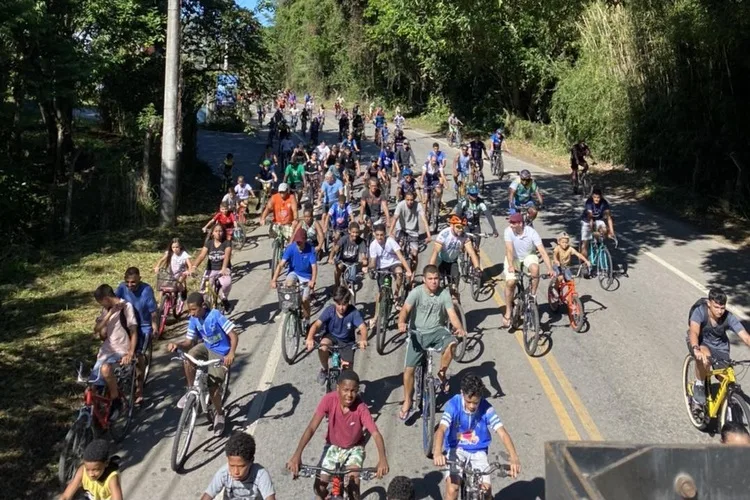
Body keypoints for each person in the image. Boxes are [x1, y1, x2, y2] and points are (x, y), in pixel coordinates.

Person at [286, 370, 389, 500]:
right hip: (333, 446)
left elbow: (376, 434)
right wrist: (297, 455)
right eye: (346, 390)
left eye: (353, 391)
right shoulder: (328, 400)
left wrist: (382, 459)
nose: (349, 395)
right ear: (338, 388)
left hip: (354, 448)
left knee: (353, 486)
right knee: (320, 487)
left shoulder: (361, 408)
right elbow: (311, 428)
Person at [433, 374, 521, 500]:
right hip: (456, 449)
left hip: (478, 451)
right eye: (469, 401)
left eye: (476, 402)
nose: (472, 406)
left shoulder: (487, 408)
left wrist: (514, 457)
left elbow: (502, 432)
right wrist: (437, 453)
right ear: (462, 393)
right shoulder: (454, 404)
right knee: (453, 489)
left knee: (486, 492)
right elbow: (441, 429)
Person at [397, 265, 466, 420]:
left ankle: (441, 374)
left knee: (452, 343)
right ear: (424, 279)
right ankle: (408, 400)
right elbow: (405, 310)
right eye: (431, 279)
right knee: (408, 370)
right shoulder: (416, 292)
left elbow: (451, 314)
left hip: (437, 331)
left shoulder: (444, 294)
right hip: (418, 333)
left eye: (436, 279)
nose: (434, 282)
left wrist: (459, 327)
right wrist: (401, 322)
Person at [167, 292, 238, 435]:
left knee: (213, 388)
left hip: (221, 352)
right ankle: (190, 389)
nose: (192, 313)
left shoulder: (215, 315)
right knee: (189, 357)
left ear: (203, 306)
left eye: (194, 309)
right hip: (206, 347)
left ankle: (219, 414)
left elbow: (234, 335)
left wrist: (231, 353)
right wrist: (177, 345)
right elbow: (189, 342)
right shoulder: (193, 320)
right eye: (189, 310)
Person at [687, 288, 750, 406]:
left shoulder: (728, 317)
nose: (720, 311)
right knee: (705, 358)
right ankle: (699, 385)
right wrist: (696, 349)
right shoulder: (700, 312)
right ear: (709, 303)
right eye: (716, 307)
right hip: (700, 342)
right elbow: (694, 331)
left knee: (728, 381)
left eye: (722, 308)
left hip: (720, 347)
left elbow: (746, 337)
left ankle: (727, 411)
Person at [92, 284, 138, 419]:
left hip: (121, 350)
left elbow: (133, 331)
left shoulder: (126, 307)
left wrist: (130, 352)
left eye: (100, 301)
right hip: (105, 351)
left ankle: (116, 401)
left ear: (106, 298)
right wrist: (109, 314)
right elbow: (96, 329)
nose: (100, 304)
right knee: (92, 386)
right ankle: (98, 417)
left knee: (106, 369)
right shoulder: (106, 309)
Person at [502, 213, 554, 329]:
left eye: (513, 223)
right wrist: (511, 265)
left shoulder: (531, 232)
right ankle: (508, 311)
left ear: (520, 223)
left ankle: (532, 296)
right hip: (513, 258)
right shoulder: (508, 231)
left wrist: (550, 269)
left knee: (535, 269)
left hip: (528, 256)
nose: (511, 225)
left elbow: (542, 251)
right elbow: (509, 250)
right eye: (510, 222)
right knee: (510, 283)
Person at [115, 267, 158, 404]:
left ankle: (139, 388)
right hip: (127, 324)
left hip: (143, 326)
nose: (130, 285)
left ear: (139, 278)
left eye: (133, 282)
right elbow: (114, 302)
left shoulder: (146, 290)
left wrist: (155, 326)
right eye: (127, 282)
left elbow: (153, 312)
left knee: (138, 355)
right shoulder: (122, 288)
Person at [306, 286, 368, 381]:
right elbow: (316, 325)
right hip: (331, 337)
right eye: (338, 304)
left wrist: (363, 339)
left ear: (348, 303)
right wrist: (310, 338)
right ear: (335, 302)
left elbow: (363, 327)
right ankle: (324, 369)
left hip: (347, 342)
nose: (341, 308)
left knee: (347, 372)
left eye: (344, 304)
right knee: (322, 347)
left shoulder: (353, 312)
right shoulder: (330, 310)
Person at [201, 432, 276, 500]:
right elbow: (207, 495)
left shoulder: (261, 475)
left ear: (251, 460)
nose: (236, 472)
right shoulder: (223, 473)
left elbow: (270, 498)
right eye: (232, 465)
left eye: (241, 466)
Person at [271, 227, 318, 326]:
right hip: (294, 272)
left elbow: (314, 267)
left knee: (305, 299)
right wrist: (274, 279)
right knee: (289, 283)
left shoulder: (311, 249)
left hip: (306, 276)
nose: (298, 244)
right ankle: (292, 309)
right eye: (297, 242)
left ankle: (307, 319)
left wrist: (313, 280)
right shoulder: (291, 248)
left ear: (305, 240)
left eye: (300, 242)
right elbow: (281, 264)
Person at [429, 215, 482, 296]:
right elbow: (435, 252)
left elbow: (471, 252)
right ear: (451, 225)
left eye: (463, 227)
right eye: (458, 227)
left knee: (455, 289)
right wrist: (430, 269)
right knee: (435, 289)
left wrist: (477, 268)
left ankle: (456, 303)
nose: (461, 230)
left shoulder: (464, 236)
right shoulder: (444, 234)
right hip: (440, 261)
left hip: (452, 262)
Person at [369, 223, 414, 318]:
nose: (380, 237)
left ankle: (396, 294)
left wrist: (408, 270)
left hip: (394, 263)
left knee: (399, 272)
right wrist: (369, 268)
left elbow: (400, 257)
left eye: (381, 235)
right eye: (377, 235)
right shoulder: (373, 245)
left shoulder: (390, 241)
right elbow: (373, 262)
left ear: (385, 234)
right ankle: (376, 317)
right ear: (374, 234)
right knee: (380, 293)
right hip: (381, 267)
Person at [193, 224, 234, 313]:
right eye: (216, 231)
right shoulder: (209, 243)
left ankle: (224, 299)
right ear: (212, 233)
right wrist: (194, 267)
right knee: (205, 289)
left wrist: (223, 269)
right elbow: (201, 256)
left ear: (223, 232)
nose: (218, 233)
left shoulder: (227, 243)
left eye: (220, 231)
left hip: (223, 269)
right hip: (210, 270)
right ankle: (205, 307)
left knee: (227, 283)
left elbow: (227, 256)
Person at [390, 190, 431, 272]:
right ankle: (396, 265)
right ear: (405, 199)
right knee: (399, 247)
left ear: (414, 199)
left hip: (413, 232)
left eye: (411, 200)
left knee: (415, 254)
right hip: (401, 229)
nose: (410, 202)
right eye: (408, 200)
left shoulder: (418, 205)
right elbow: (395, 218)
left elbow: (424, 220)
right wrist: (391, 232)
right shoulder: (400, 205)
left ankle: (413, 273)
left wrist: (428, 235)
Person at [579, 188, 616, 258]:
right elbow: (590, 218)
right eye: (595, 197)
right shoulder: (589, 202)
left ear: (601, 197)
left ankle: (599, 242)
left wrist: (611, 231)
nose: (596, 199)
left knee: (605, 229)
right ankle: (584, 263)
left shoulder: (604, 203)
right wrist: (592, 231)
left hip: (598, 220)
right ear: (592, 197)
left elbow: (608, 217)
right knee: (585, 243)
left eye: (598, 197)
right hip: (587, 220)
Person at [332, 222, 369, 288]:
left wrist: (364, 260)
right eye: (353, 232)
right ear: (349, 231)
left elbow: (363, 254)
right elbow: (336, 248)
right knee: (338, 268)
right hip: (342, 261)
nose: (355, 234)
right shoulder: (344, 238)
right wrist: (331, 258)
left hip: (352, 263)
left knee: (352, 279)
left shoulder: (361, 241)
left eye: (357, 232)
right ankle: (336, 286)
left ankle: (350, 290)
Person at [324, 193, 354, 261]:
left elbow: (352, 216)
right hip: (336, 226)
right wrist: (325, 226)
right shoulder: (334, 206)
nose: (341, 205)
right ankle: (331, 257)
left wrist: (353, 223)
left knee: (350, 239)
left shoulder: (347, 206)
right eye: (340, 203)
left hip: (345, 226)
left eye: (343, 203)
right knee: (336, 239)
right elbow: (328, 215)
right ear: (338, 202)